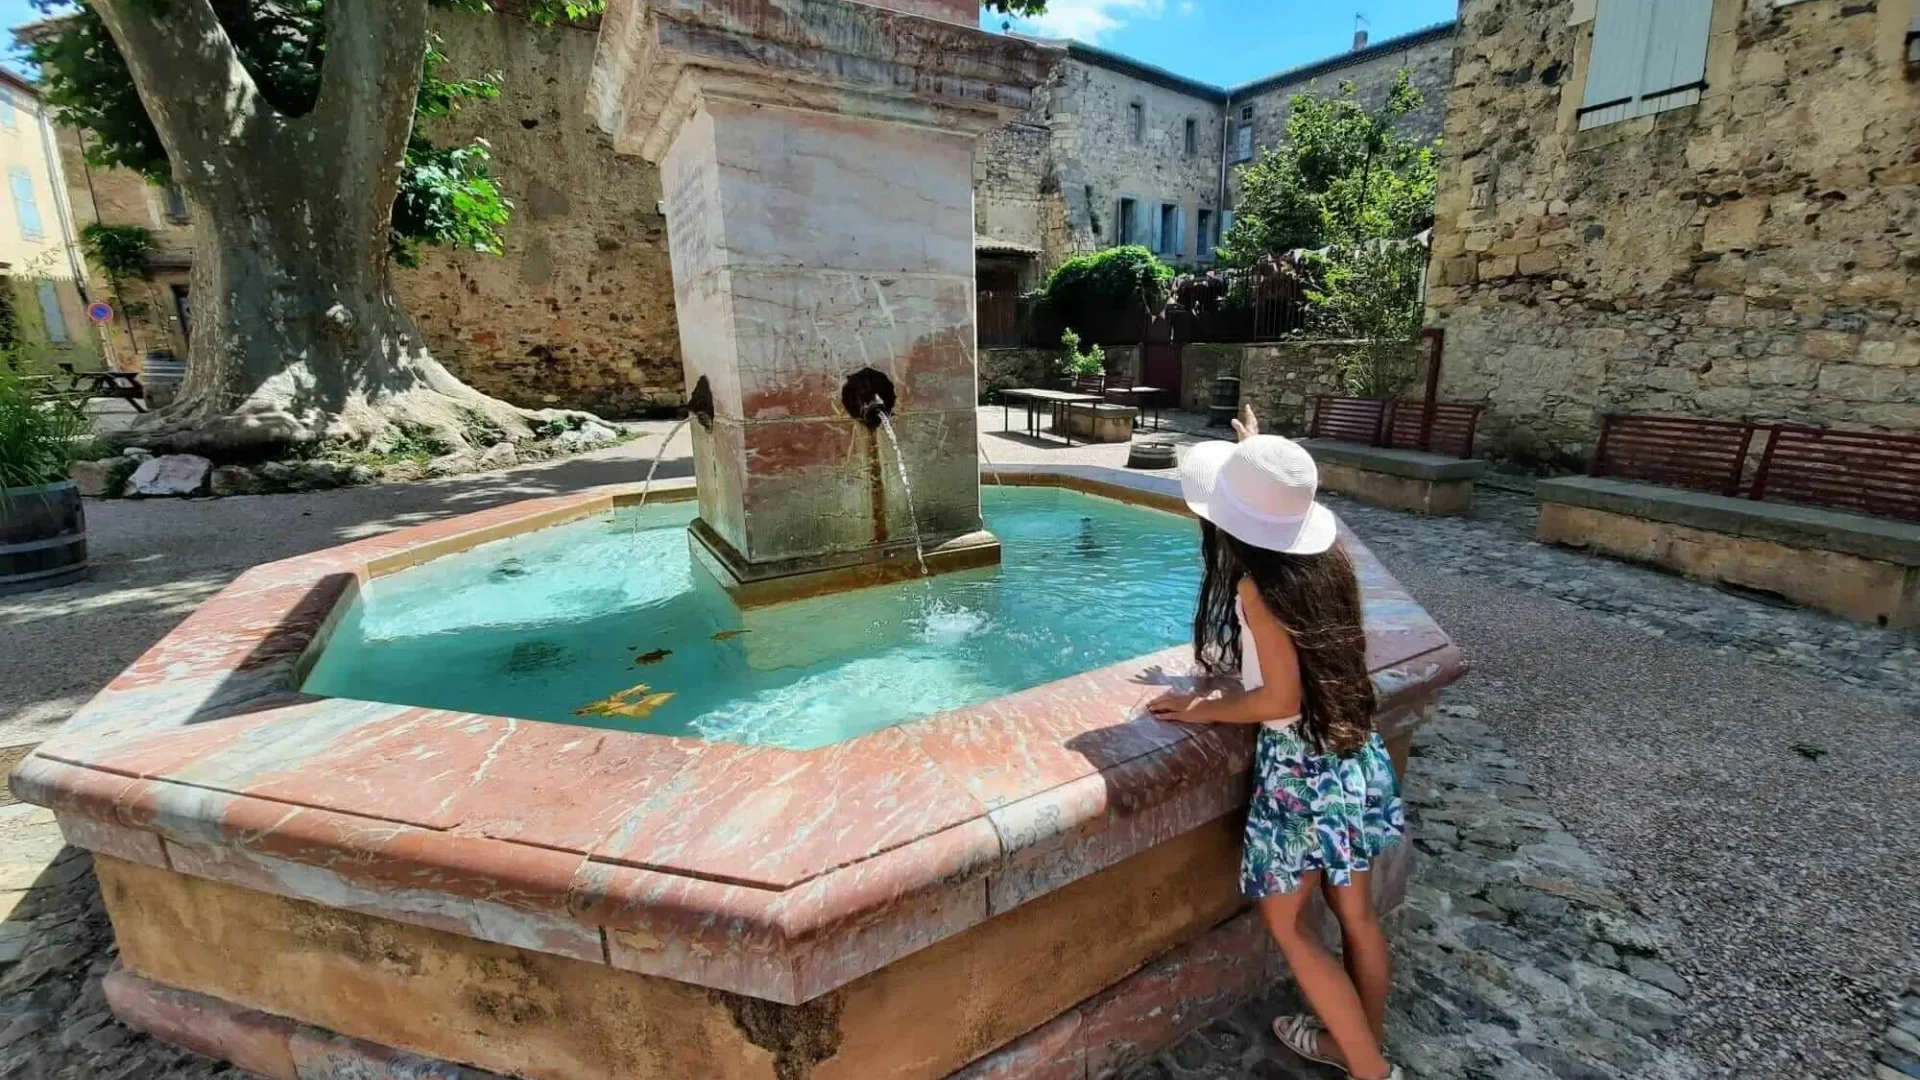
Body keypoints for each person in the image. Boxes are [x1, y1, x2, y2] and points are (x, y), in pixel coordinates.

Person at [1149, 406, 1407, 1080]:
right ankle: (1359, 1050)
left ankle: (1372, 1073)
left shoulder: (1258, 589)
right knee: (1357, 918)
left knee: (1290, 926)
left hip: (1300, 772)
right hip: (1351, 752)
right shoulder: (1328, 561)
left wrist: (1203, 706)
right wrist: (1257, 452)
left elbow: (1279, 700)